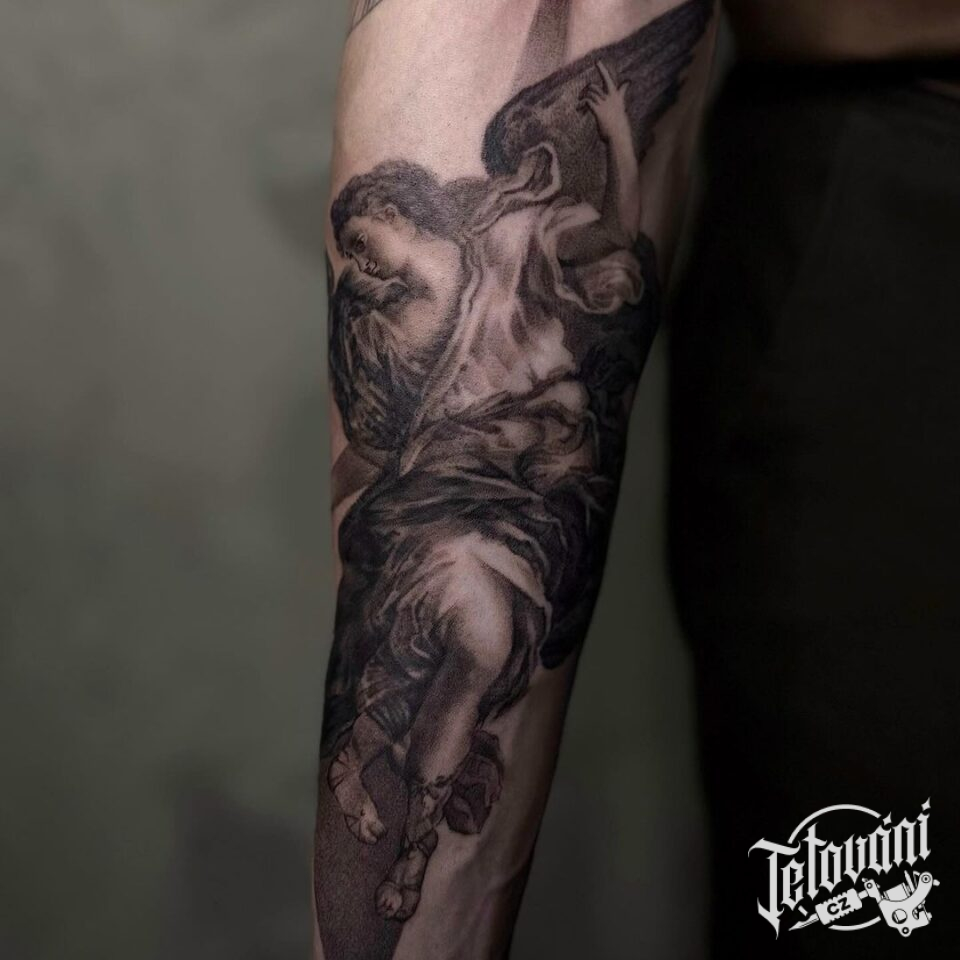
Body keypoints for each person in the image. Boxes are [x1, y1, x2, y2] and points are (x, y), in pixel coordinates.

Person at [315, 1, 959, 957]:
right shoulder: (480, 252)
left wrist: (611, 138)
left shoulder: (550, 244)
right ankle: (402, 819)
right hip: (903, 228)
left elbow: (602, 247)